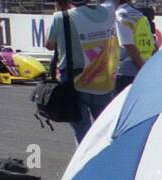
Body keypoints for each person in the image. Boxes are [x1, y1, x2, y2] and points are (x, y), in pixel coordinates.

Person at [45, 0, 117, 144]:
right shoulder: (108, 11)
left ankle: (87, 161)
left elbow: (49, 45)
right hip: (102, 78)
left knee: (82, 129)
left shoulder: (61, 17)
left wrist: (58, 8)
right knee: (106, 128)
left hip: (74, 79)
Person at [112, 0, 151, 94]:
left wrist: (142, 69)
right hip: (143, 66)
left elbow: (129, 46)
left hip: (126, 72)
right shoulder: (139, 14)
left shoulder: (120, 15)